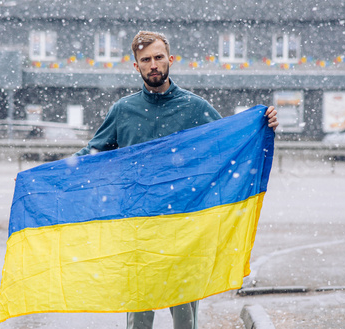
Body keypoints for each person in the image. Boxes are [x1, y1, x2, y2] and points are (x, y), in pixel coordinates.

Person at [75, 31, 278, 329]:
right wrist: (48, 177)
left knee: (185, 319)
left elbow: (228, 144)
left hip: (183, 228)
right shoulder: (123, 111)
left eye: (158, 57)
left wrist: (263, 125)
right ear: (136, 66)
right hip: (138, 229)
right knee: (139, 320)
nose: (153, 64)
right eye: (146, 60)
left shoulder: (195, 108)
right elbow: (92, 154)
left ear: (170, 60)